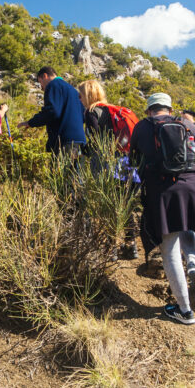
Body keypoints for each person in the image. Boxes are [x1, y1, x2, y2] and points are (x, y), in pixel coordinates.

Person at [129, 92, 195, 325]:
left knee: (169, 251)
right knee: (187, 225)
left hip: (162, 192)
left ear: (149, 110)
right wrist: (190, 122)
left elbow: (133, 160)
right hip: (191, 187)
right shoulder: (184, 123)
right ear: (169, 108)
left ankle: (185, 311)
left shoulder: (142, 127)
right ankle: (191, 259)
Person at [78, 79, 139, 259]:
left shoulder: (91, 112)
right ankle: (131, 245)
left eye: (81, 94)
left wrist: (83, 151)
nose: (80, 98)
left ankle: (110, 249)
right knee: (123, 202)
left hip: (106, 164)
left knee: (107, 203)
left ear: (88, 95)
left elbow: (97, 141)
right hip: (124, 162)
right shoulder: (113, 110)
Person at [17, 66, 86, 157]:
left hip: (64, 140)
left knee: (60, 170)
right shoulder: (72, 89)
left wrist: (31, 122)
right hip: (79, 140)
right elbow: (83, 114)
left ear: (45, 76)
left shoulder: (53, 85)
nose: (42, 88)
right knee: (74, 170)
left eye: (40, 82)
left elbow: (52, 111)